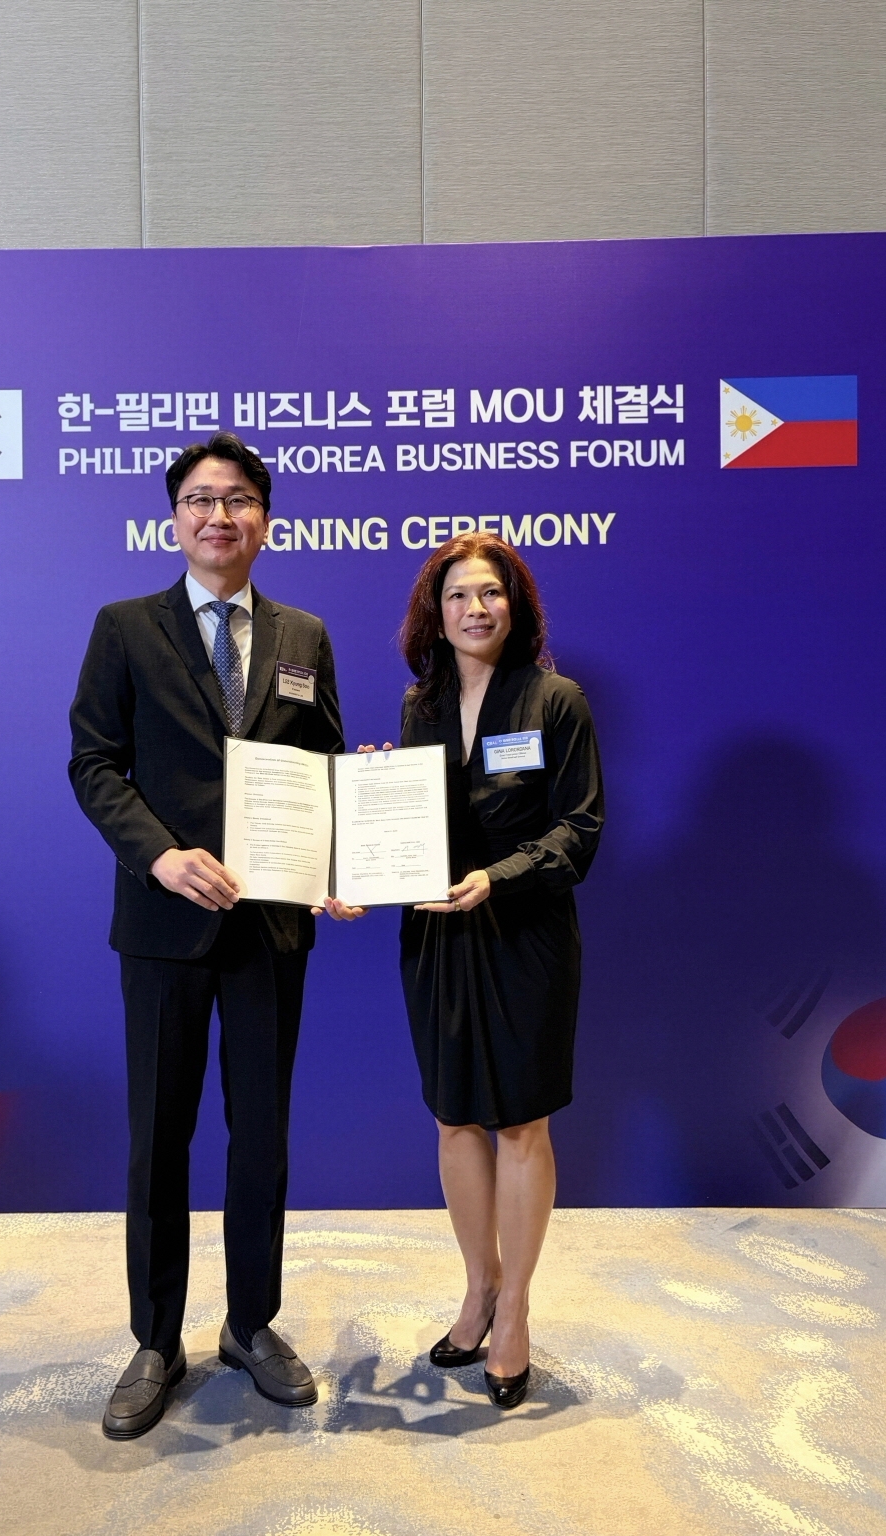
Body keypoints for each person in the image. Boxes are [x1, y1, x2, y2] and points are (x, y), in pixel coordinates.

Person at [68, 432, 358, 1439]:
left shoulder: (302, 635)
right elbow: (93, 763)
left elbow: (323, 767)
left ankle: (249, 1324)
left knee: (261, 1136)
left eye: (237, 499)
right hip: (163, 925)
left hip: (271, 926)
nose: (218, 516)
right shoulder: (124, 628)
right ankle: (155, 1339)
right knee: (158, 1138)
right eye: (199, 499)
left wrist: (341, 864)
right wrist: (158, 855)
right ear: (174, 520)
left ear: (264, 520)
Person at [371, 532, 603, 1410]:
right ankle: (478, 1288)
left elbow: (578, 830)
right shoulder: (419, 706)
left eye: (491, 593)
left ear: (517, 607)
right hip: (437, 935)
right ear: (434, 614)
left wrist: (497, 877)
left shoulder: (555, 700)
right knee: (454, 1117)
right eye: (458, 595)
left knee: (519, 1123)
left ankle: (516, 1314)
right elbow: (413, 826)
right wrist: (370, 821)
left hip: (524, 932)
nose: (475, 608)